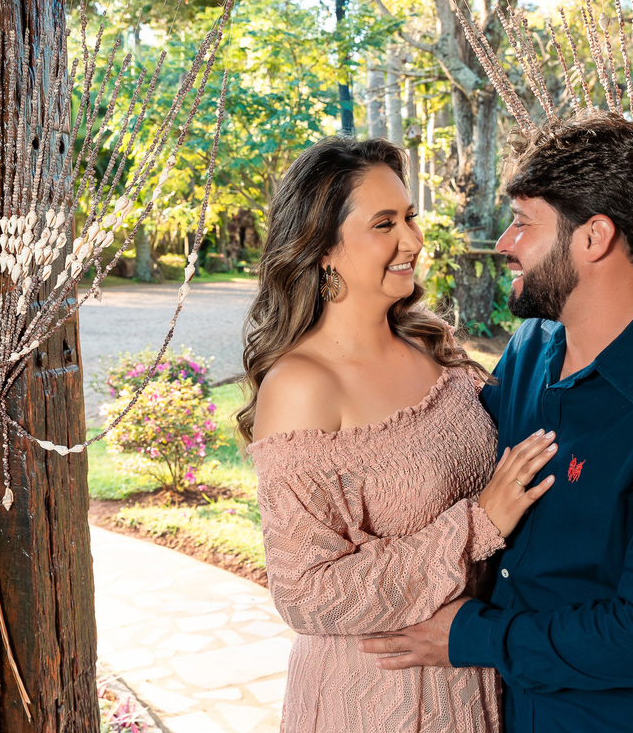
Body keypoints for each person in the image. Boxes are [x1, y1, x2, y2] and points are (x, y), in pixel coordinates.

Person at [360, 113, 633, 733]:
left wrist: (473, 635)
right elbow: (461, 473)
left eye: (525, 223)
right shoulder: (530, 346)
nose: (504, 242)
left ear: (594, 238)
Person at [238, 136, 557, 732]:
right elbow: (306, 594)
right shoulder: (303, 386)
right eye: (384, 223)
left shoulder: (429, 343)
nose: (412, 240)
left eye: (409, 217)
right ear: (323, 246)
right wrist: (477, 524)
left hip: (473, 678)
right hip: (376, 698)